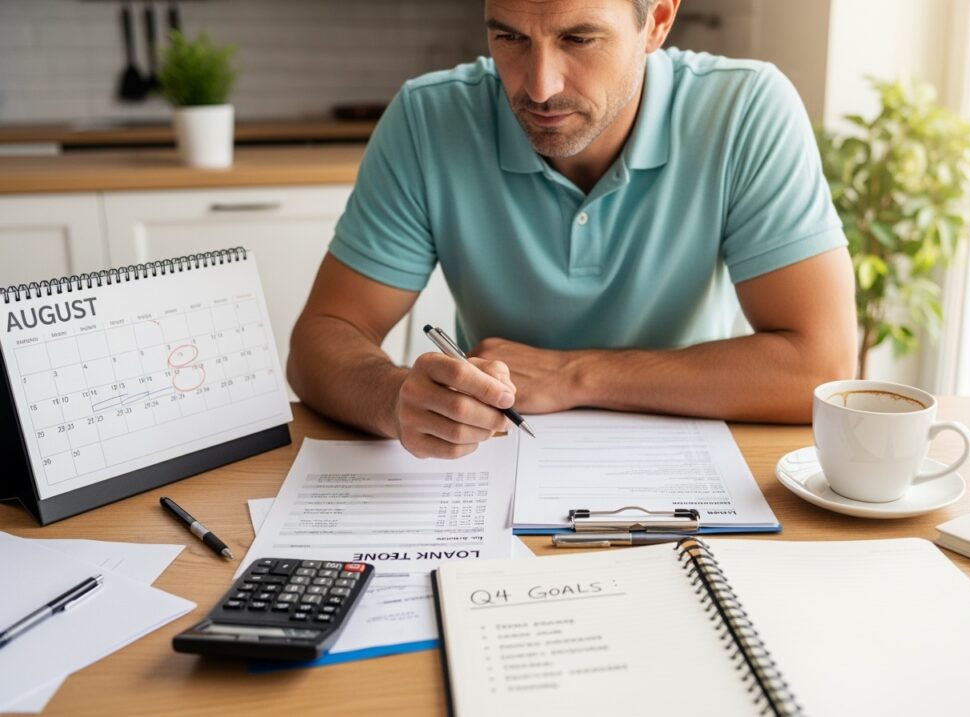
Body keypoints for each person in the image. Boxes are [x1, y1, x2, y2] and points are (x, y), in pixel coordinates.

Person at [288, 0, 857, 459]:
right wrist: (393, 398)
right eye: (510, 37)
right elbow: (322, 338)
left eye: (578, 39)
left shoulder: (745, 109)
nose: (538, 88)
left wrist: (575, 375)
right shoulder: (427, 119)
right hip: (495, 466)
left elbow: (820, 365)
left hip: (689, 469)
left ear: (656, 20)